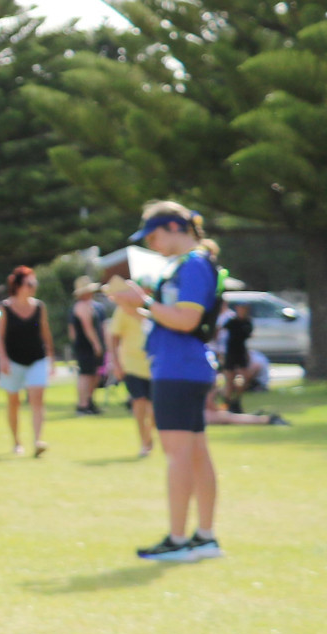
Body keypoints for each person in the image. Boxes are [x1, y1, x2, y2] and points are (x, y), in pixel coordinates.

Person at [115, 202, 223, 562]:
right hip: (185, 366)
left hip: (178, 367)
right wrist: (142, 307)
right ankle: (204, 537)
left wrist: (144, 301)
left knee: (178, 454)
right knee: (194, 452)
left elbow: (186, 319)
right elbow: (176, 317)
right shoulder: (188, 264)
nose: (152, 243)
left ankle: (178, 541)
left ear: (176, 227)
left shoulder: (191, 264)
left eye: (155, 234)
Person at [0, 266, 54, 457]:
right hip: (13, 360)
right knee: (14, 402)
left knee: (37, 398)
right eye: (30, 283)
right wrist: (3, 359)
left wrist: (51, 356)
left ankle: (38, 440)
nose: (33, 287)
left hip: (37, 358)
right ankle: (16, 442)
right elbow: (0, 337)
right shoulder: (6, 307)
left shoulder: (39, 307)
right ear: (19, 285)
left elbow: (45, 332)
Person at [104, 276, 155, 458]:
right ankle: (144, 442)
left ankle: (150, 436)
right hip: (132, 365)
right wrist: (115, 363)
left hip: (154, 364)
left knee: (154, 409)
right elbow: (113, 338)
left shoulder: (151, 310)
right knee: (139, 403)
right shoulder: (121, 312)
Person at [69, 277, 105, 414]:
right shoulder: (81, 306)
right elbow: (87, 327)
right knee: (86, 375)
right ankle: (83, 404)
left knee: (94, 374)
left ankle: (89, 401)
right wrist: (97, 345)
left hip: (86, 346)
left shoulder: (91, 306)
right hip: (86, 346)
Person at [220, 298, 254, 413]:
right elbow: (220, 331)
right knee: (229, 379)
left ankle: (237, 400)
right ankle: (227, 403)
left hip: (241, 353)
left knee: (244, 377)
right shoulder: (231, 322)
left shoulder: (247, 322)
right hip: (231, 353)